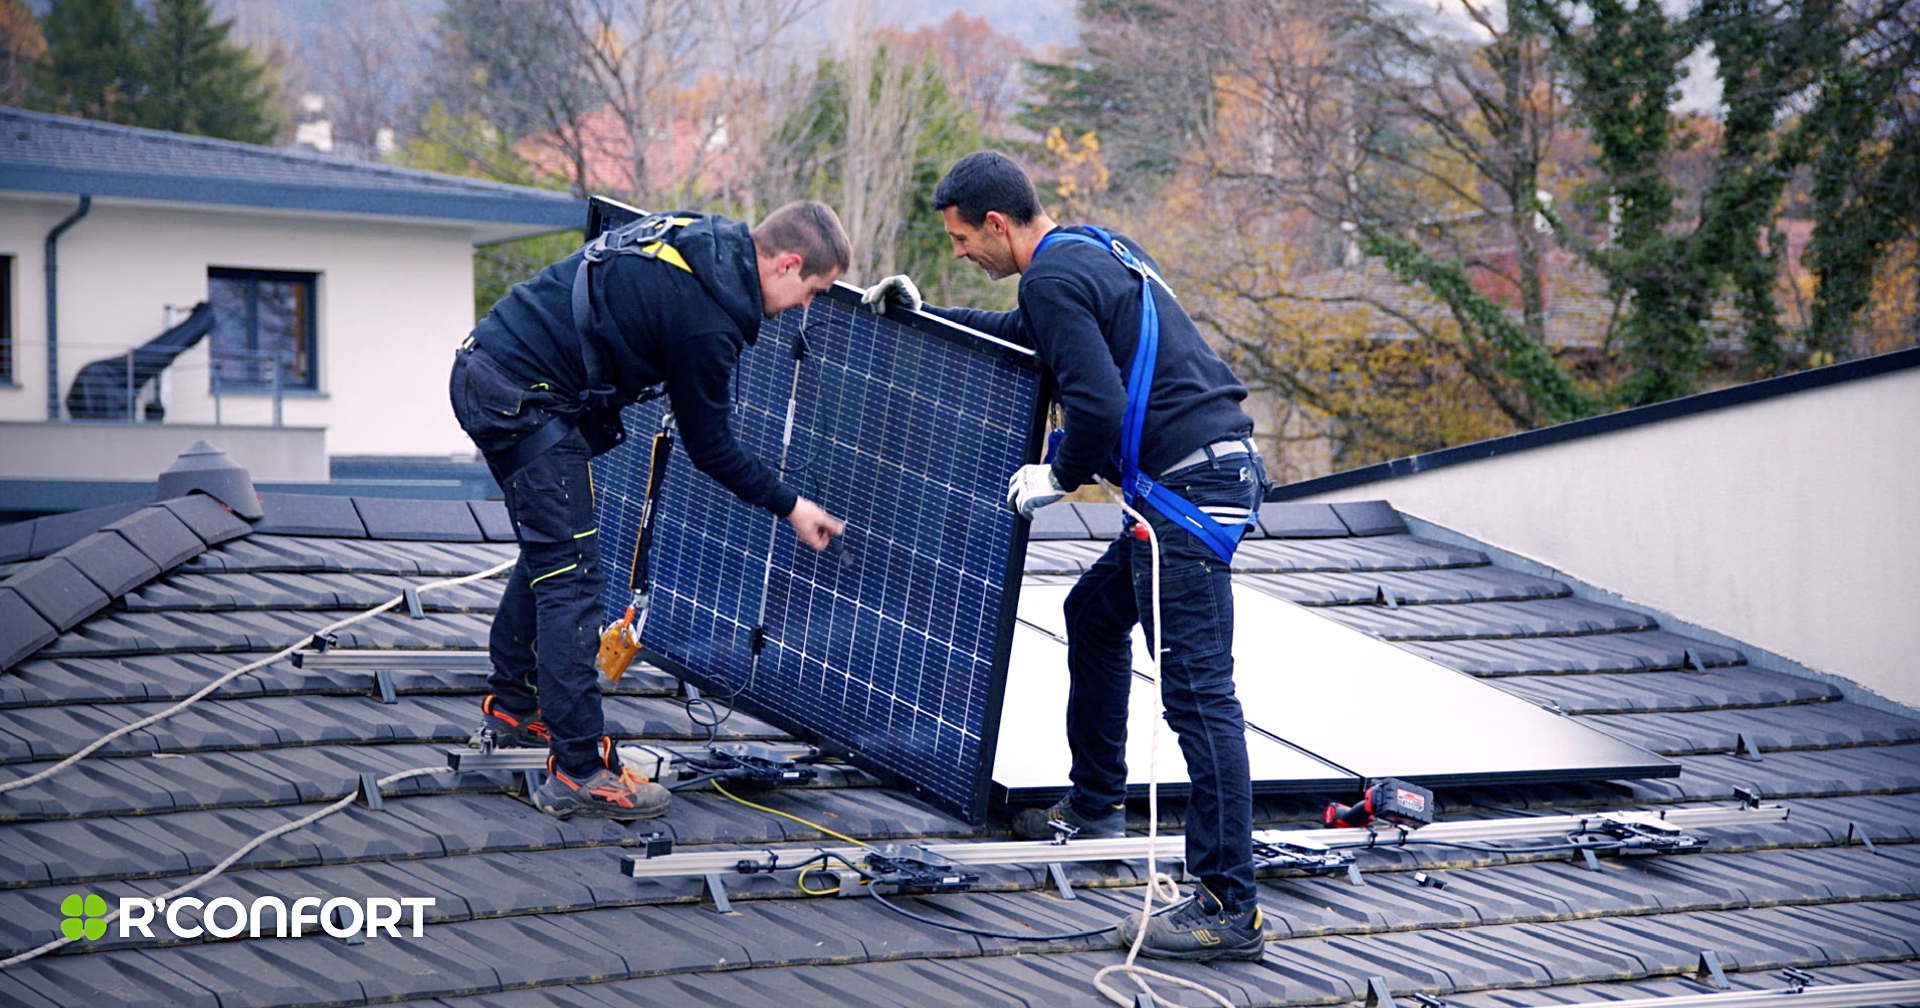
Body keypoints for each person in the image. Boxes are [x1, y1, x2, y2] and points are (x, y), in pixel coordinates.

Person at [862, 152, 1268, 961]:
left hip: (1190, 496)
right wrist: (925, 314)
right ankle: (1094, 806)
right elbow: (1030, 343)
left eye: (961, 239)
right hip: (1208, 472)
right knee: (1092, 612)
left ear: (998, 223)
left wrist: (1059, 475)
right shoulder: (1090, 249)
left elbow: (1098, 404)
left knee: (1198, 698)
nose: (960, 252)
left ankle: (1230, 906)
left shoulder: (1049, 278)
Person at [452, 201, 850, 821]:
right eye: (812, 290)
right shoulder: (708, 323)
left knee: (552, 555)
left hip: (490, 369)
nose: (807, 307)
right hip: (520, 399)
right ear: (787, 263)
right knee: (572, 579)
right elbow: (712, 448)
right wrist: (793, 506)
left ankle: (514, 704)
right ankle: (580, 769)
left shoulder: (700, 235)